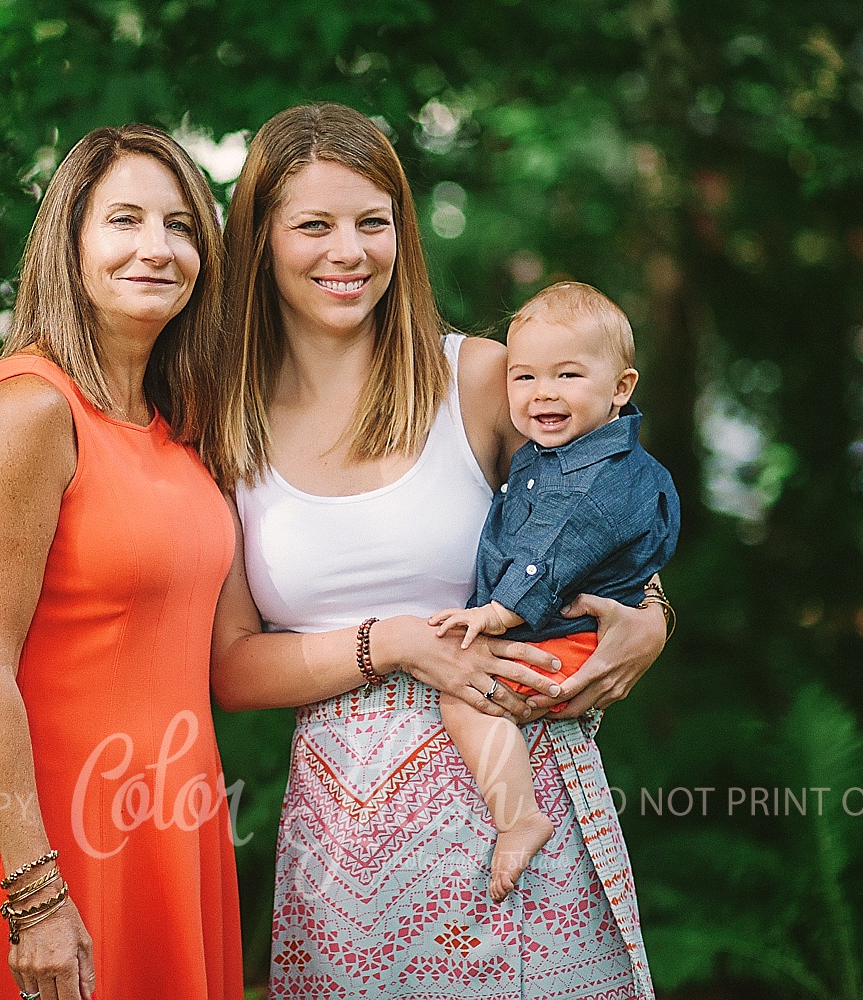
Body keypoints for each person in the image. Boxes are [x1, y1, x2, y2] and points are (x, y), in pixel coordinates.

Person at [205, 103, 668, 999]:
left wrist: (651, 620)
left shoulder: (483, 376)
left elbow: (607, 521)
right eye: (314, 225)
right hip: (349, 838)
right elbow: (231, 668)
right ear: (258, 240)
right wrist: (398, 642)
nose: (349, 251)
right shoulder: (223, 421)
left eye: (372, 223)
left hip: (520, 797)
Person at [0, 125, 243, 1000]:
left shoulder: (185, 425)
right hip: (48, 842)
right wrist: (35, 893)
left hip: (170, 833)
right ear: (72, 243)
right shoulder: (28, 410)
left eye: (180, 225)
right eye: (123, 220)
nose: (155, 249)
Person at [429, 280, 680, 904]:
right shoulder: (565, 455)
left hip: (558, 640)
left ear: (621, 388)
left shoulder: (590, 479)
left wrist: (498, 610)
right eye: (524, 377)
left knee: (469, 702)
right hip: (565, 634)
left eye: (568, 375)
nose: (543, 393)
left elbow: (551, 555)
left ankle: (519, 818)